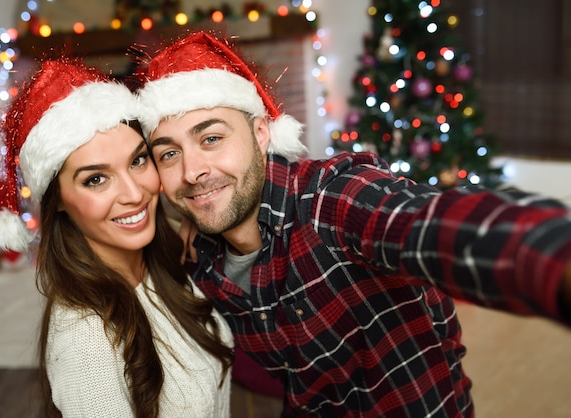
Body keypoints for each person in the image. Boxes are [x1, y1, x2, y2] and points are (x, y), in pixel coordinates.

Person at [134, 31, 571, 417]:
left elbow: (435, 224)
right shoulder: (202, 258)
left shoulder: (332, 198)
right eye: (169, 153)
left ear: (262, 133)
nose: (192, 171)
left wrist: (554, 260)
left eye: (211, 138)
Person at [0, 57, 234, 417]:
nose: (134, 194)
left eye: (137, 161)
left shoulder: (157, 266)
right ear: (58, 202)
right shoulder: (87, 341)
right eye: (96, 179)